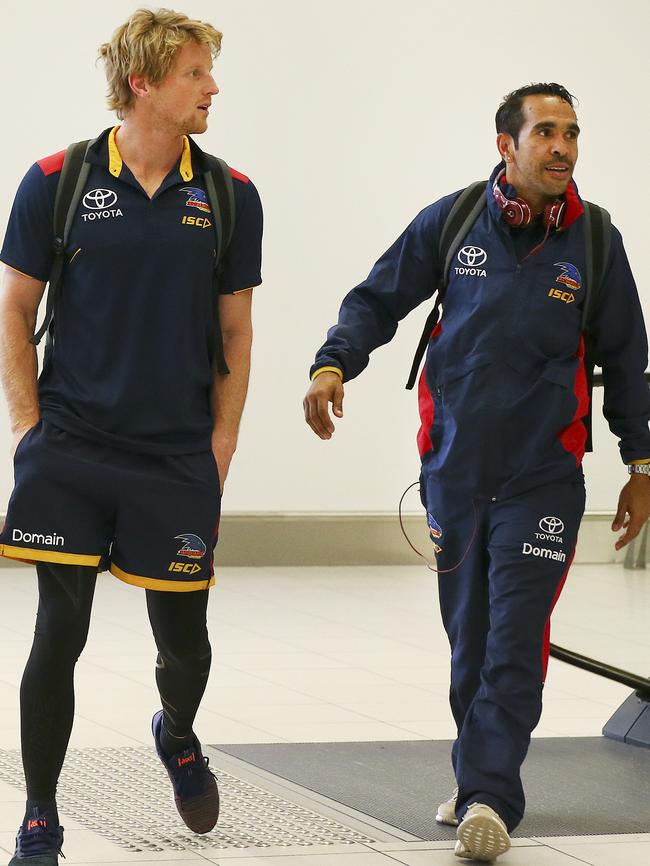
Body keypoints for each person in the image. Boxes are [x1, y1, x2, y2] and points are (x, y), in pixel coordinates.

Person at [303, 83, 650, 861]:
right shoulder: (454, 220)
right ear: (507, 145)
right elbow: (377, 297)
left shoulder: (595, 241)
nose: (562, 148)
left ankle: (491, 797)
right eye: (546, 133)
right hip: (454, 473)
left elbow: (630, 359)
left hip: (544, 478)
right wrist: (333, 364)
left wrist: (641, 461)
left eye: (572, 134)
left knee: (515, 640)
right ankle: (476, 775)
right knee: (470, 642)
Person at [0, 8, 262, 864]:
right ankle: (41, 812)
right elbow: (15, 308)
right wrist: (28, 424)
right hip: (70, 447)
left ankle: (176, 730)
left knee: (183, 644)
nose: (212, 87)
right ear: (144, 82)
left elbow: (235, 334)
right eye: (195, 73)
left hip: (176, 455)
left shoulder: (229, 194)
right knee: (58, 630)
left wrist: (221, 445)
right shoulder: (57, 179)